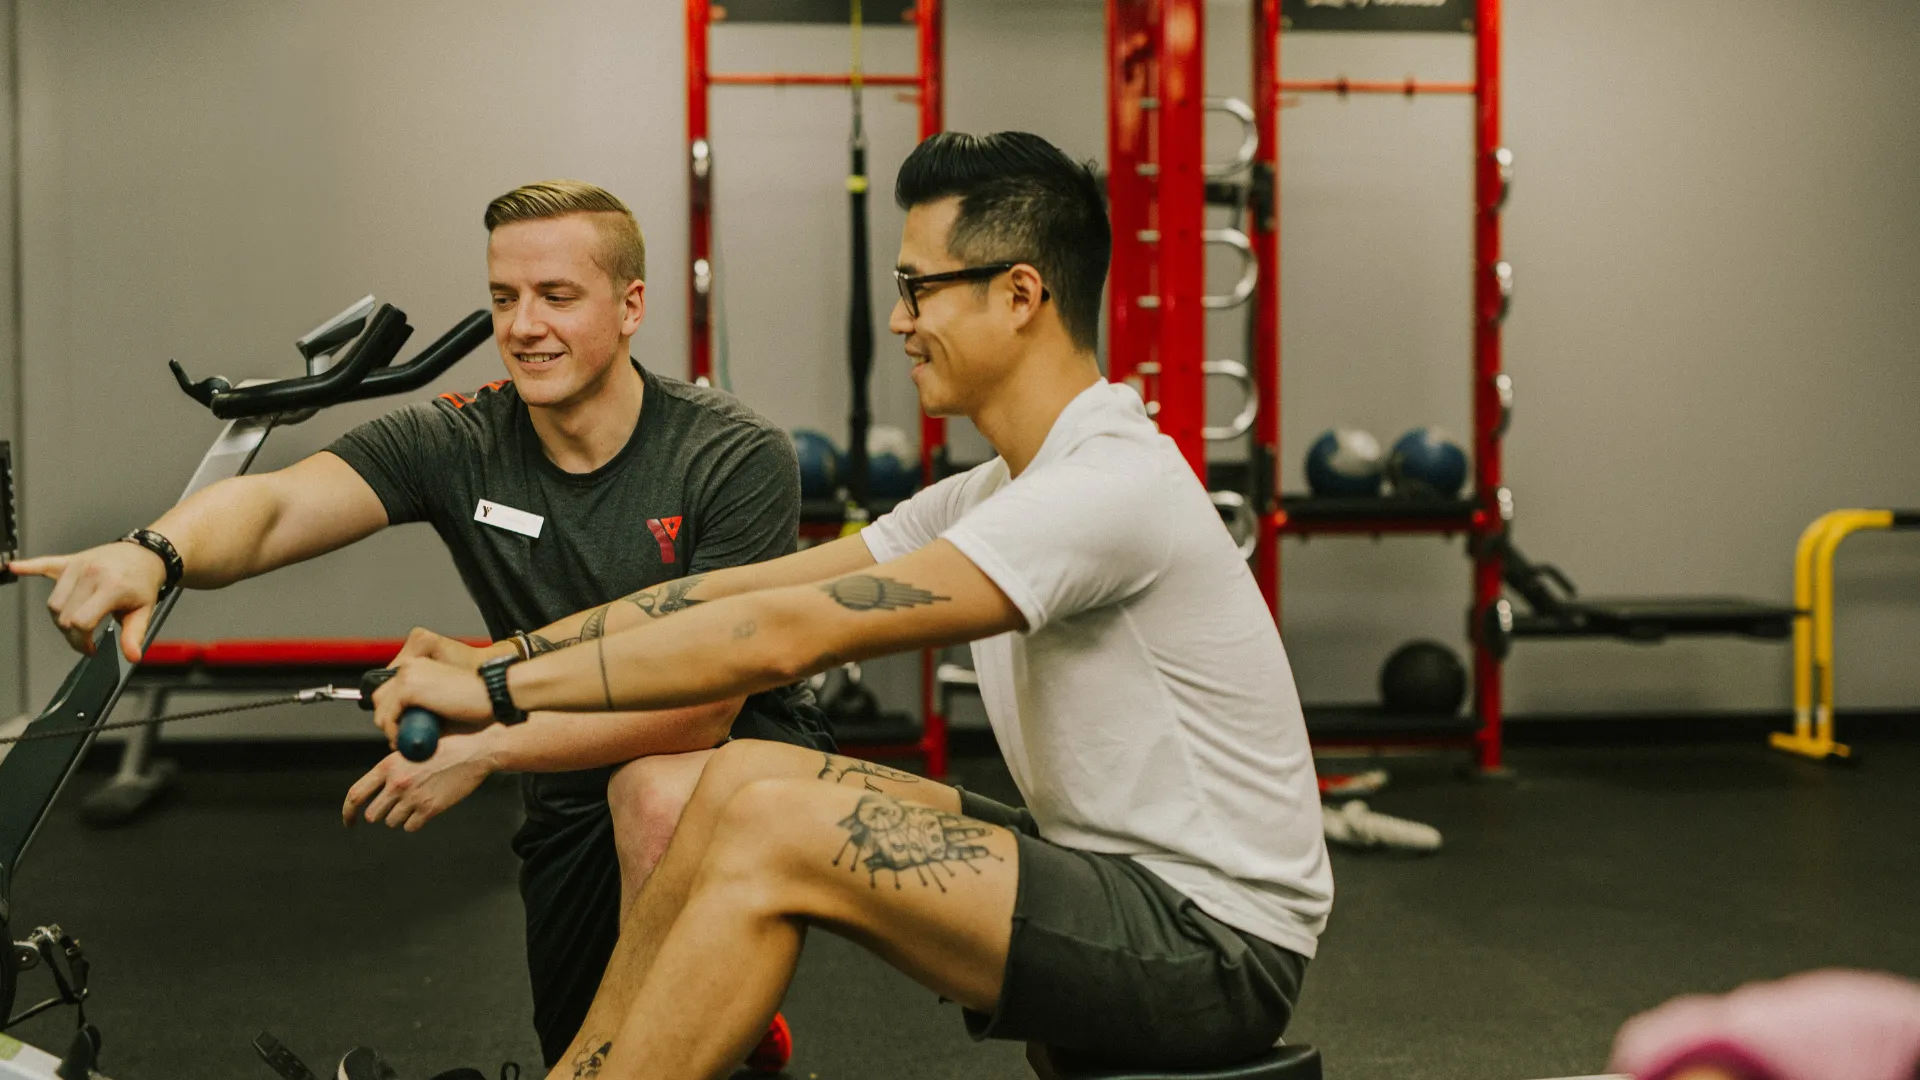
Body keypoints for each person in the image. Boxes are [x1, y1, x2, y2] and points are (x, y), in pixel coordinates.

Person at [366, 131, 1334, 1080]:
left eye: (919, 288)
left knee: (772, 828)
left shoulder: (1102, 487)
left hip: (1210, 947)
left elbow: (782, 636)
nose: (901, 320)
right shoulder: (1002, 486)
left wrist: (498, 689)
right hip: (1108, 879)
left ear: (1021, 293)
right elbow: (733, 591)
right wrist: (501, 652)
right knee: (739, 777)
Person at [7, 180, 823, 1072]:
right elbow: (278, 506)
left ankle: (724, 998)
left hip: (724, 754)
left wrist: (485, 746)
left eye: (556, 297)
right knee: (578, 1048)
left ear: (631, 307)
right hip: (565, 769)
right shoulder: (463, 439)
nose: (524, 327)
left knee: (655, 811)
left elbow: (701, 705)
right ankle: (718, 1002)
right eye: (503, 299)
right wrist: (155, 550)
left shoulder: (731, 453)